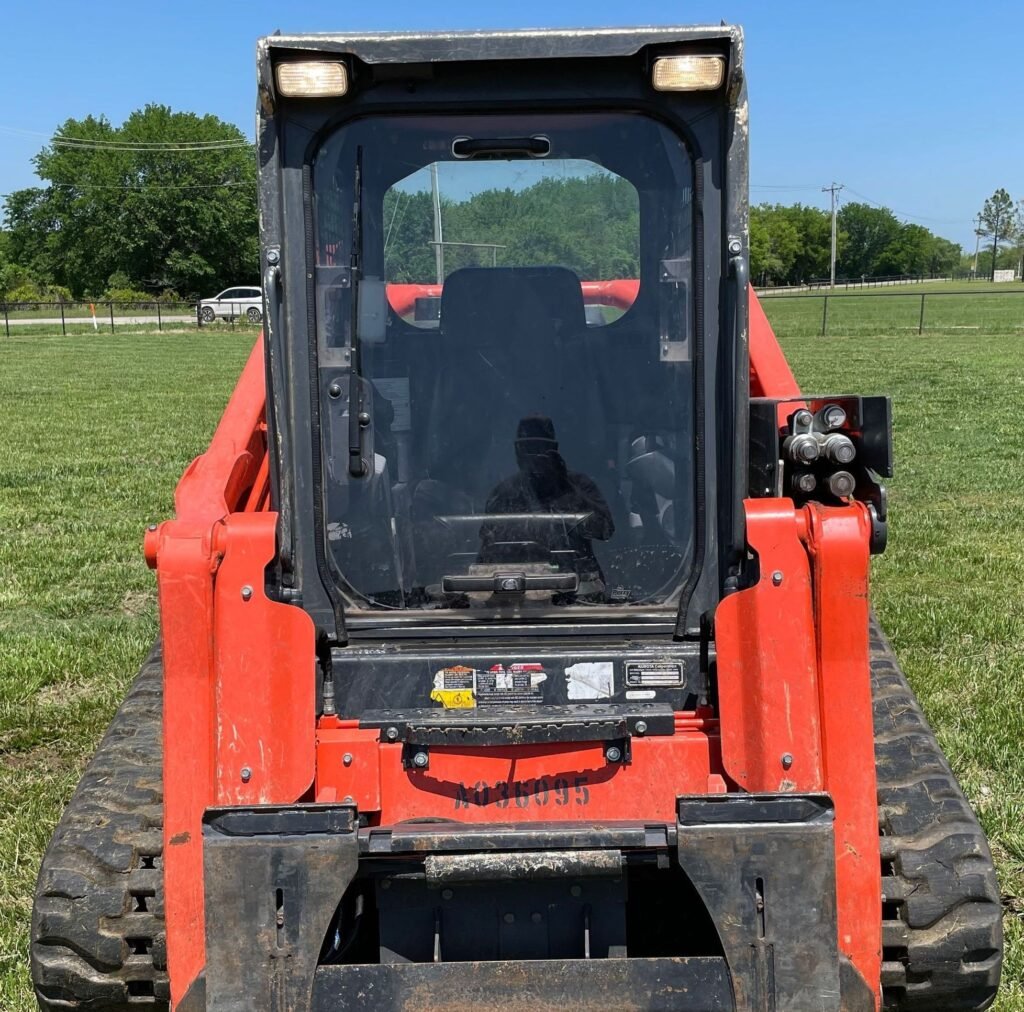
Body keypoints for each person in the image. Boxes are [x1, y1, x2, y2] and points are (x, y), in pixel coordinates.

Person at [479, 417, 614, 589]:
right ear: (517, 452)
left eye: (540, 449)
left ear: (553, 451)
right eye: (528, 449)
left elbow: (605, 530)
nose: (535, 455)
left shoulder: (577, 485)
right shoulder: (503, 494)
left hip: (578, 592)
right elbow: (486, 553)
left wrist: (563, 484)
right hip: (516, 594)